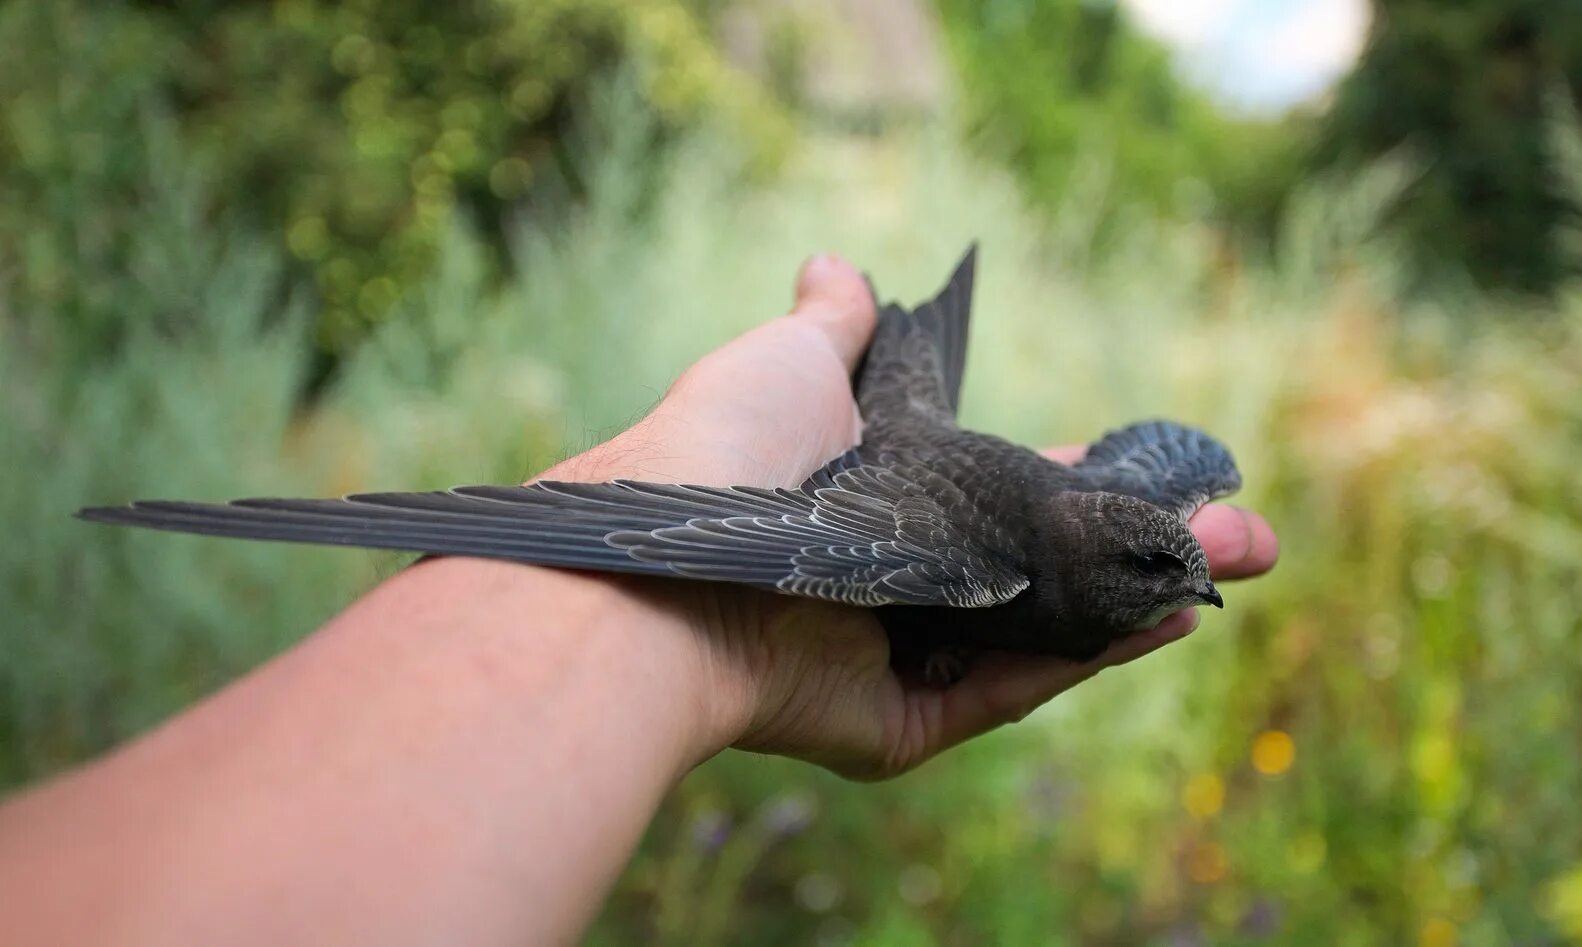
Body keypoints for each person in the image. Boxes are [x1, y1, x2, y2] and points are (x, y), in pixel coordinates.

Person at [0, 254, 1277, 945]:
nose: (1183, 586)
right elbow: (695, 531)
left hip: (933, 449)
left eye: (1175, 570)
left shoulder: (1119, 528)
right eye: (1159, 571)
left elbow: (1169, 474)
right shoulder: (989, 562)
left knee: (1211, 491)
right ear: (1092, 571)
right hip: (905, 451)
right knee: (779, 558)